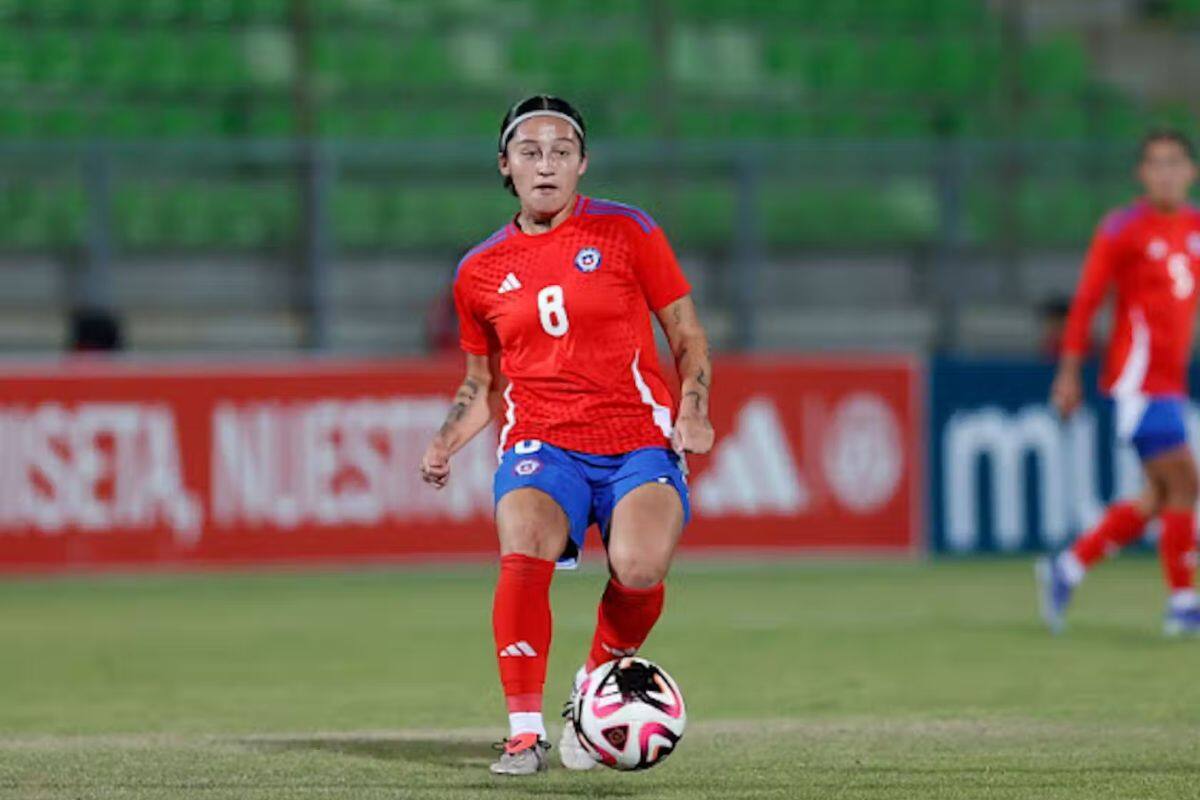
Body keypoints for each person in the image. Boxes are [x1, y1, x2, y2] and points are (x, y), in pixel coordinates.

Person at [419, 95, 714, 775]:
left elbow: (687, 335)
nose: (546, 165)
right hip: (542, 441)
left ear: (583, 163)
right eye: (530, 152)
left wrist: (694, 408)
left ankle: (591, 689)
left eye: (561, 152)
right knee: (524, 542)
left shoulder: (628, 231)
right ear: (505, 165)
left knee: (639, 569)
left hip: (636, 437)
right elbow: (482, 382)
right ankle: (524, 733)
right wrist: (446, 440)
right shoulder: (479, 270)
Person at [1038, 130, 1200, 636]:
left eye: (1175, 163)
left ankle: (1067, 568)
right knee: (1185, 483)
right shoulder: (1123, 229)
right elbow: (1087, 300)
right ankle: (1182, 603)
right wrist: (1069, 372)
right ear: (1141, 174)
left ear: (1191, 171)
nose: (1166, 173)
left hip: (1171, 382)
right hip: (1137, 381)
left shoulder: (1195, 227)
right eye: (1156, 164)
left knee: (1158, 496)